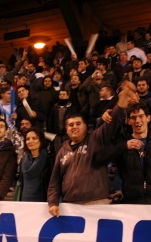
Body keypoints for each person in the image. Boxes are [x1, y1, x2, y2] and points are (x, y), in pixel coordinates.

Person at [48, 81, 139, 217]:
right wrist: (53, 202)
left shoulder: (95, 138)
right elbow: (54, 181)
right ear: (66, 129)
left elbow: (112, 122)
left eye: (78, 123)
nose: (74, 127)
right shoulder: (62, 151)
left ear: (86, 126)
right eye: (71, 125)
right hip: (70, 206)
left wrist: (120, 104)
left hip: (97, 204)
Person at [19, 128, 49, 201]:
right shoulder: (23, 160)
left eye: (34, 138)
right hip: (24, 201)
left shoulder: (48, 159)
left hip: (43, 201)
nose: (30, 141)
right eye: (28, 139)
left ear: (41, 140)